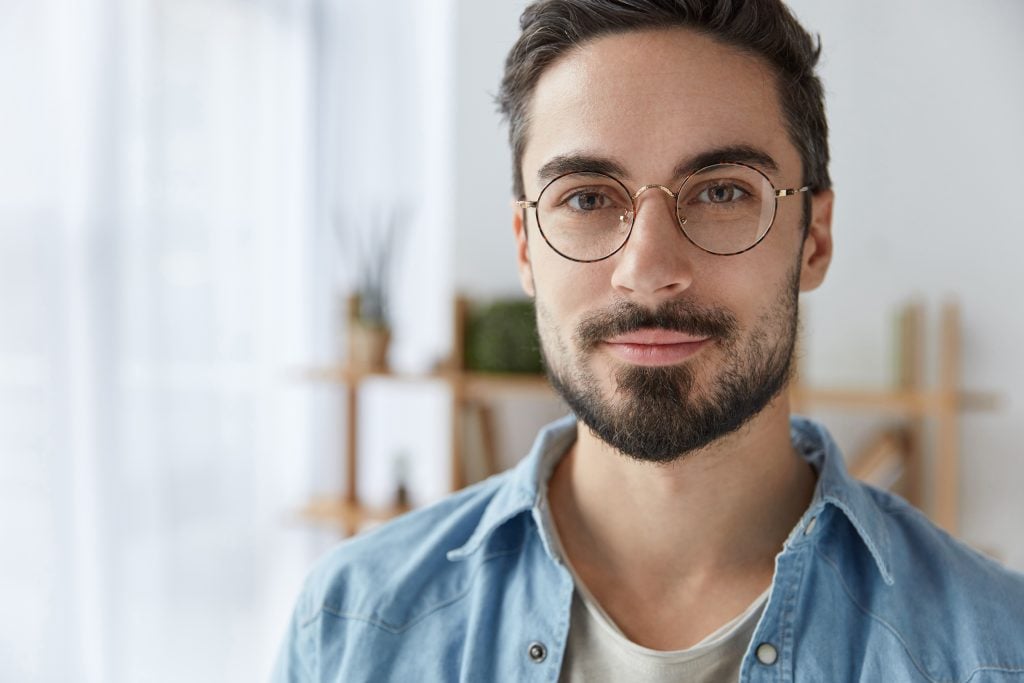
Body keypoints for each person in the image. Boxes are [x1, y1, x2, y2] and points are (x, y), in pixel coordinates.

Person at [273, 1, 1024, 680]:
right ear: (526, 247)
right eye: (588, 199)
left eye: (724, 191)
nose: (650, 269)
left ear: (814, 237)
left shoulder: (997, 650)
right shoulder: (352, 628)